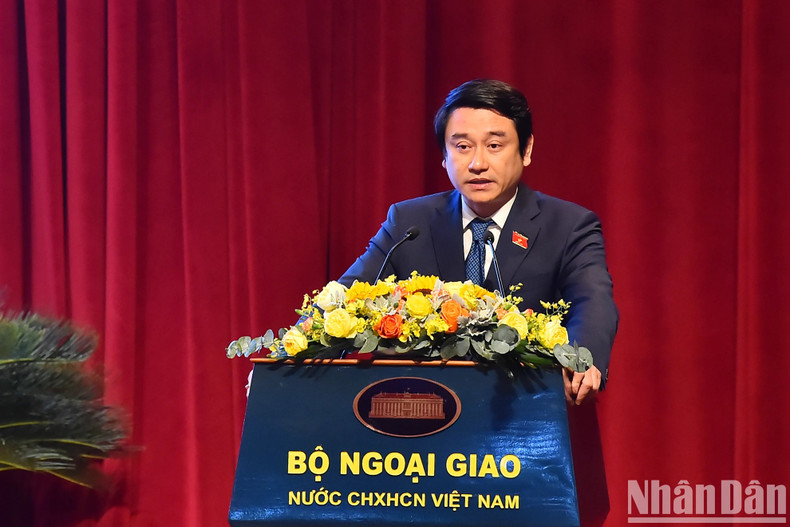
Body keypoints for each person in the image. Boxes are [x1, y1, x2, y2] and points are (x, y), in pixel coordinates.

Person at [339, 79, 618, 405]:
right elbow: (348, 295)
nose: (477, 163)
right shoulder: (409, 222)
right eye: (462, 146)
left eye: (494, 146)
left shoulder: (568, 226)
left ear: (526, 150)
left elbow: (592, 301)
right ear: (444, 156)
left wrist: (583, 358)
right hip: (425, 422)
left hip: (526, 416)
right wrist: (301, 341)